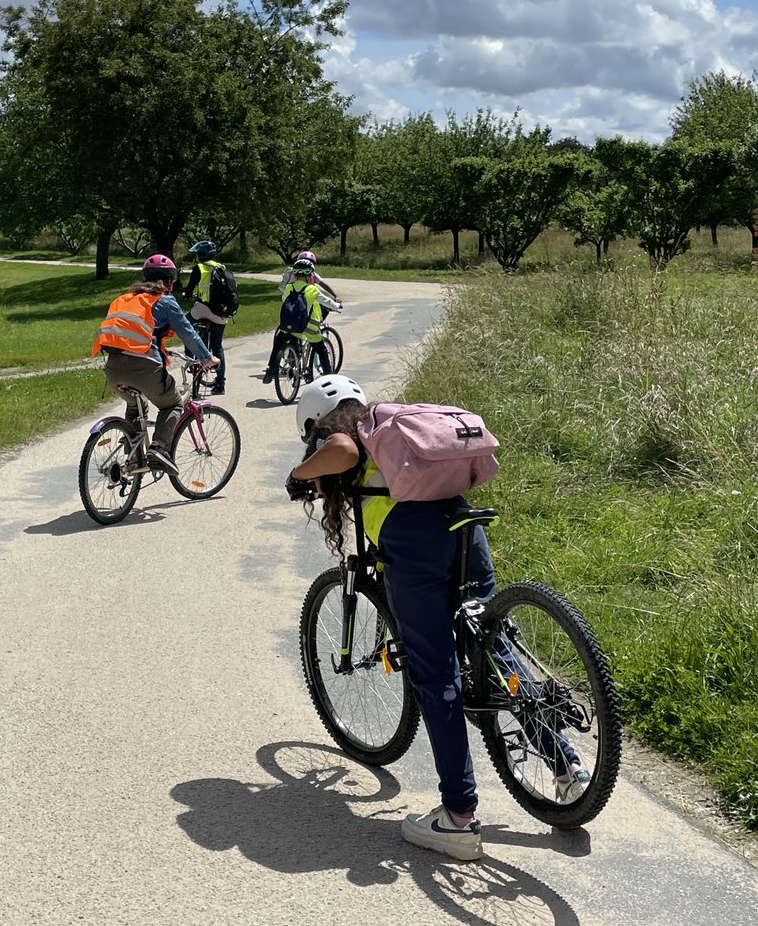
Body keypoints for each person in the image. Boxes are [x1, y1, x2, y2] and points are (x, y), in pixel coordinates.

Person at [284, 375, 591, 862]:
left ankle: (458, 818)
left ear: (315, 418)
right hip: (462, 523)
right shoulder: (390, 424)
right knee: (493, 643)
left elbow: (341, 451)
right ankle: (565, 765)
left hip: (414, 540)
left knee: (435, 673)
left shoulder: (345, 432)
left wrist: (302, 473)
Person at [92, 254, 219, 474]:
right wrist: (207, 358)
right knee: (172, 404)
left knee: (135, 405)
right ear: (170, 281)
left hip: (113, 367)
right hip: (143, 367)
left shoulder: (125, 298)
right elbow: (188, 333)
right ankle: (160, 448)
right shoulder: (165, 300)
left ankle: (132, 458)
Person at [262, 257, 336, 384]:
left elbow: (284, 300)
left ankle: (272, 369)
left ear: (295, 275)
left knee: (278, 343)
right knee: (321, 350)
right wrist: (337, 306)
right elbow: (327, 302)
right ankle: (329, 378)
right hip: (308, 329)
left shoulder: (289, 288)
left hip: (289, 327)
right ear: (309, 276)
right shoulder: (312, 289)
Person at [181, 239, 228, 395]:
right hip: (221, 312)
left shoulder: (199, 268)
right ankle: (220, 384)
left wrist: (186, 295)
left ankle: (190, 357)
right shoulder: (222, 267)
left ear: (201, 255)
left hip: (204, 308)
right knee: (217, 346)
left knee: (185, 326)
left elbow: (189, 290)